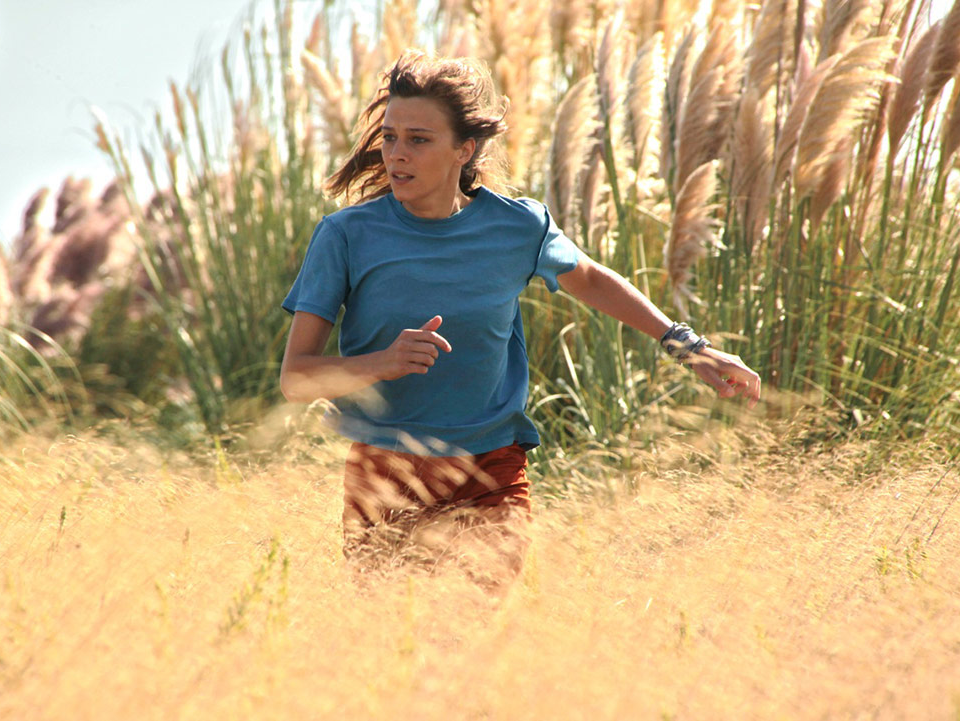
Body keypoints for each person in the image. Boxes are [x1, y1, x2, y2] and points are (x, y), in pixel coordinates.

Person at [280, 50, 760, 576]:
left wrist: (689, 348)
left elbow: (594, 280)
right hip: (385, 468)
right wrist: (380, 363)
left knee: (486, 640)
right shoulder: (345, 236)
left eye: (419, 139)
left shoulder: (518, 227)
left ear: (464, 149)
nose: (397, 154)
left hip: (492, 465)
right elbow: (296, 378)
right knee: (390, 639)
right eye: (390, 137)